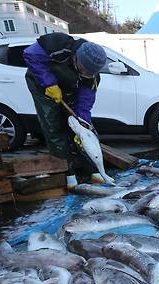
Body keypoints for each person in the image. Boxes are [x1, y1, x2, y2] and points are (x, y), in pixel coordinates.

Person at [23, 33, 107, 188]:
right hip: (43, 85)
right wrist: (49, 83)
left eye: (90, 74)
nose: (87, 75)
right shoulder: (58, 45)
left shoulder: (92, 77)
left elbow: (84, 103)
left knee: (81, 130)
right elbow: (30, 54)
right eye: (84, 70)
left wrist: (82, 124)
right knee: (54, 127)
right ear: (76, 58)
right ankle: (68, 175)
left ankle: (95, 171)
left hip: (68, 88)